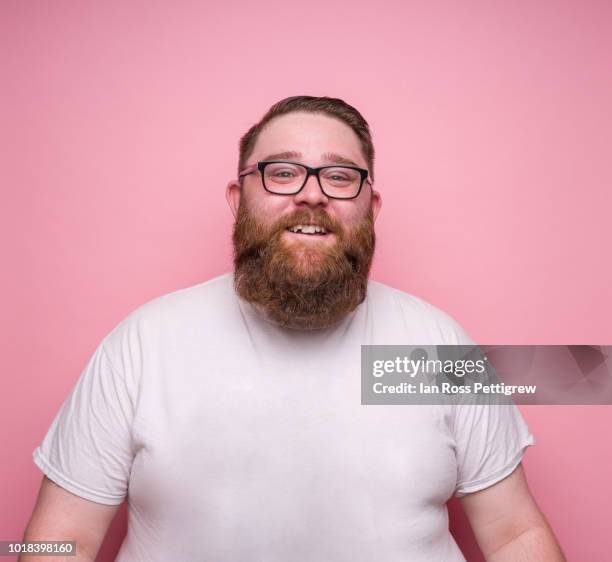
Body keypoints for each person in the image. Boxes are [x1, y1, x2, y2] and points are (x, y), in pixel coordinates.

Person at [22, 96, 566, 561]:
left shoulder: (438, 349)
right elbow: (58, 540)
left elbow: (515, 534)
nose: (311, 194)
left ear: (371, 209)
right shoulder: (142, 344)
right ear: (238, 200)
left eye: (339, 176)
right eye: (281, 173)